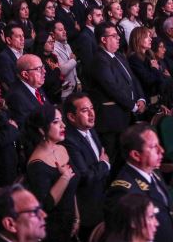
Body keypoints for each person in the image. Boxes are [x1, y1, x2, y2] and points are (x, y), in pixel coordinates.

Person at [105, 123, 173, 242]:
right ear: (136, 155)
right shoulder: (123, 191)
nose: (161, 150)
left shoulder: (153, 172)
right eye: (154, 147)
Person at [89, 22, 145, 162]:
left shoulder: (119, 56)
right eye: (114, 36)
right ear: (103, 39)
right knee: (114, 160)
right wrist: (132, 105)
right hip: (112, 121)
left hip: (126, 115)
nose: (118, 38)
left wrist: (141, 99)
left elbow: (133, 79)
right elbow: (112, 87)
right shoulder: (99, 60)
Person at [25, 104, 80, 242]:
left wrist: (77, 217)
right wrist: (65, 177)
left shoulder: (62, 149)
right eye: (56, 122)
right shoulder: (36, 164)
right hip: (51, 229)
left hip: (69, 222)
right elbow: (46, 205)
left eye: (62, 120)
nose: (63, 126)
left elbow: (72, 191)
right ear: (42, 130)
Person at [62, 93, 110, 241]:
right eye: (84, 110)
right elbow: (85, 177)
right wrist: (104, 164)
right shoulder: (69, 141)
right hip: (87, 210)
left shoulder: (89, 129)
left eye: (92, 108)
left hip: (101, 202)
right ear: (71, 117)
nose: (91, 114)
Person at [6, 54, 48, 130]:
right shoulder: (16, 97)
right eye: (38, 69)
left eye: (43, 67)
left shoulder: (35, 85)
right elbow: (27, 130)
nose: (44, 71)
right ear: (25, 74)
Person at [52, 21, 79, 100]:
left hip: (74, 88)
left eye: (64, 29)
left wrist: (77, 81)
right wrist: (73, 60)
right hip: (64, 92)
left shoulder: (67, 45)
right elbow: (63, 70)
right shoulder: (53, 48)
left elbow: (72, 68)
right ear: (53, 34)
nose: (64, 32)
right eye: (60, 30)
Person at [0, 23, 24, 92]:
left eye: (23, 35)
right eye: (18, 36)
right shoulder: (3, 58)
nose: (22, 39)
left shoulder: (25, 53)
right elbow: (11, 84)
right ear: (8, 40)